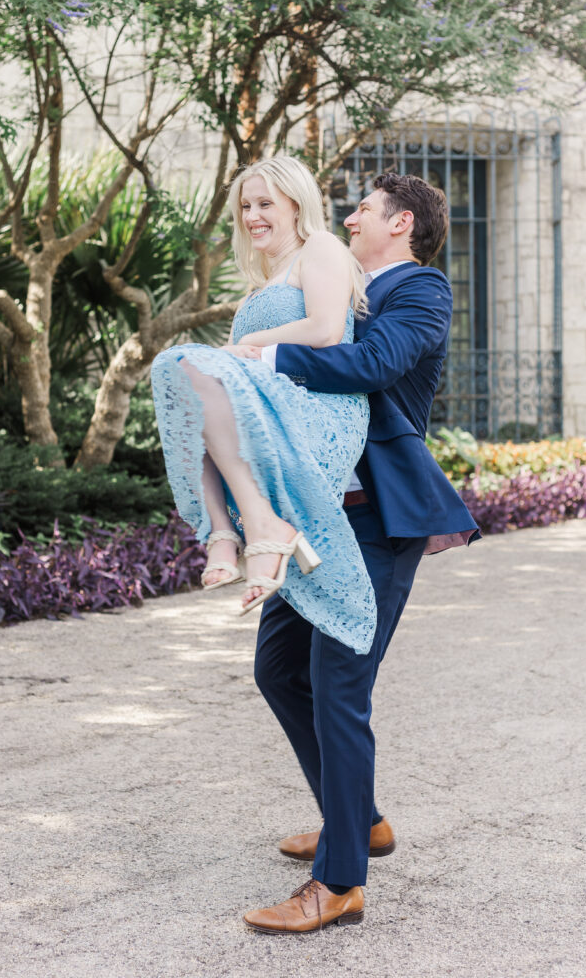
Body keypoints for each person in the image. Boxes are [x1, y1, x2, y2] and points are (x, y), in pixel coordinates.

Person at [223, 171, 480, 934]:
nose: (348, 215)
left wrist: (266, 358)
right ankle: (358, 819)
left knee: (338, 684)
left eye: (362, 207)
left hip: (374, 517)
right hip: (314, 518)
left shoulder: (420, 292)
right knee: (276, 670)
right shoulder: (327, 281)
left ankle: (338, 884)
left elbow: (368, 367)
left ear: (400, 222)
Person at [151, 154, 378, 655]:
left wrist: (247, 341)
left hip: (319, 409)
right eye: (245, 206)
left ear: (296, 205)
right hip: (271, 410)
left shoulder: (319, 248)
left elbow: (325, 330)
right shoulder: (258, 288)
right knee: (177, 373)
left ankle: (255, 528)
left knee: (189, 362)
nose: (252, 215)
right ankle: (224, 534)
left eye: (264, 204)